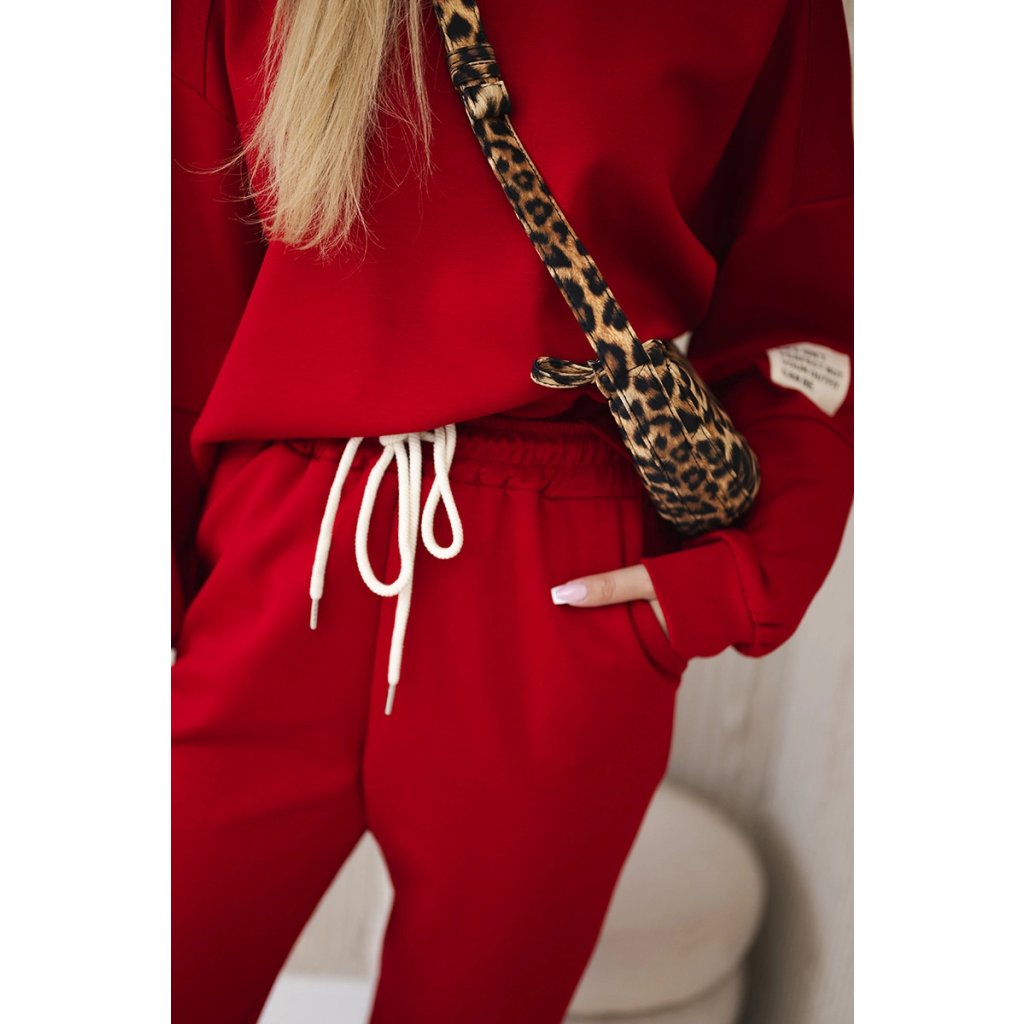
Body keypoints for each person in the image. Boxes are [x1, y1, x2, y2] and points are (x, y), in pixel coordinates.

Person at [171, 0, 854, 1020]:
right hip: (272, 556)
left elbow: (802, 313)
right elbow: (175, 296)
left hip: (559, 594)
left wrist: (731, 582)